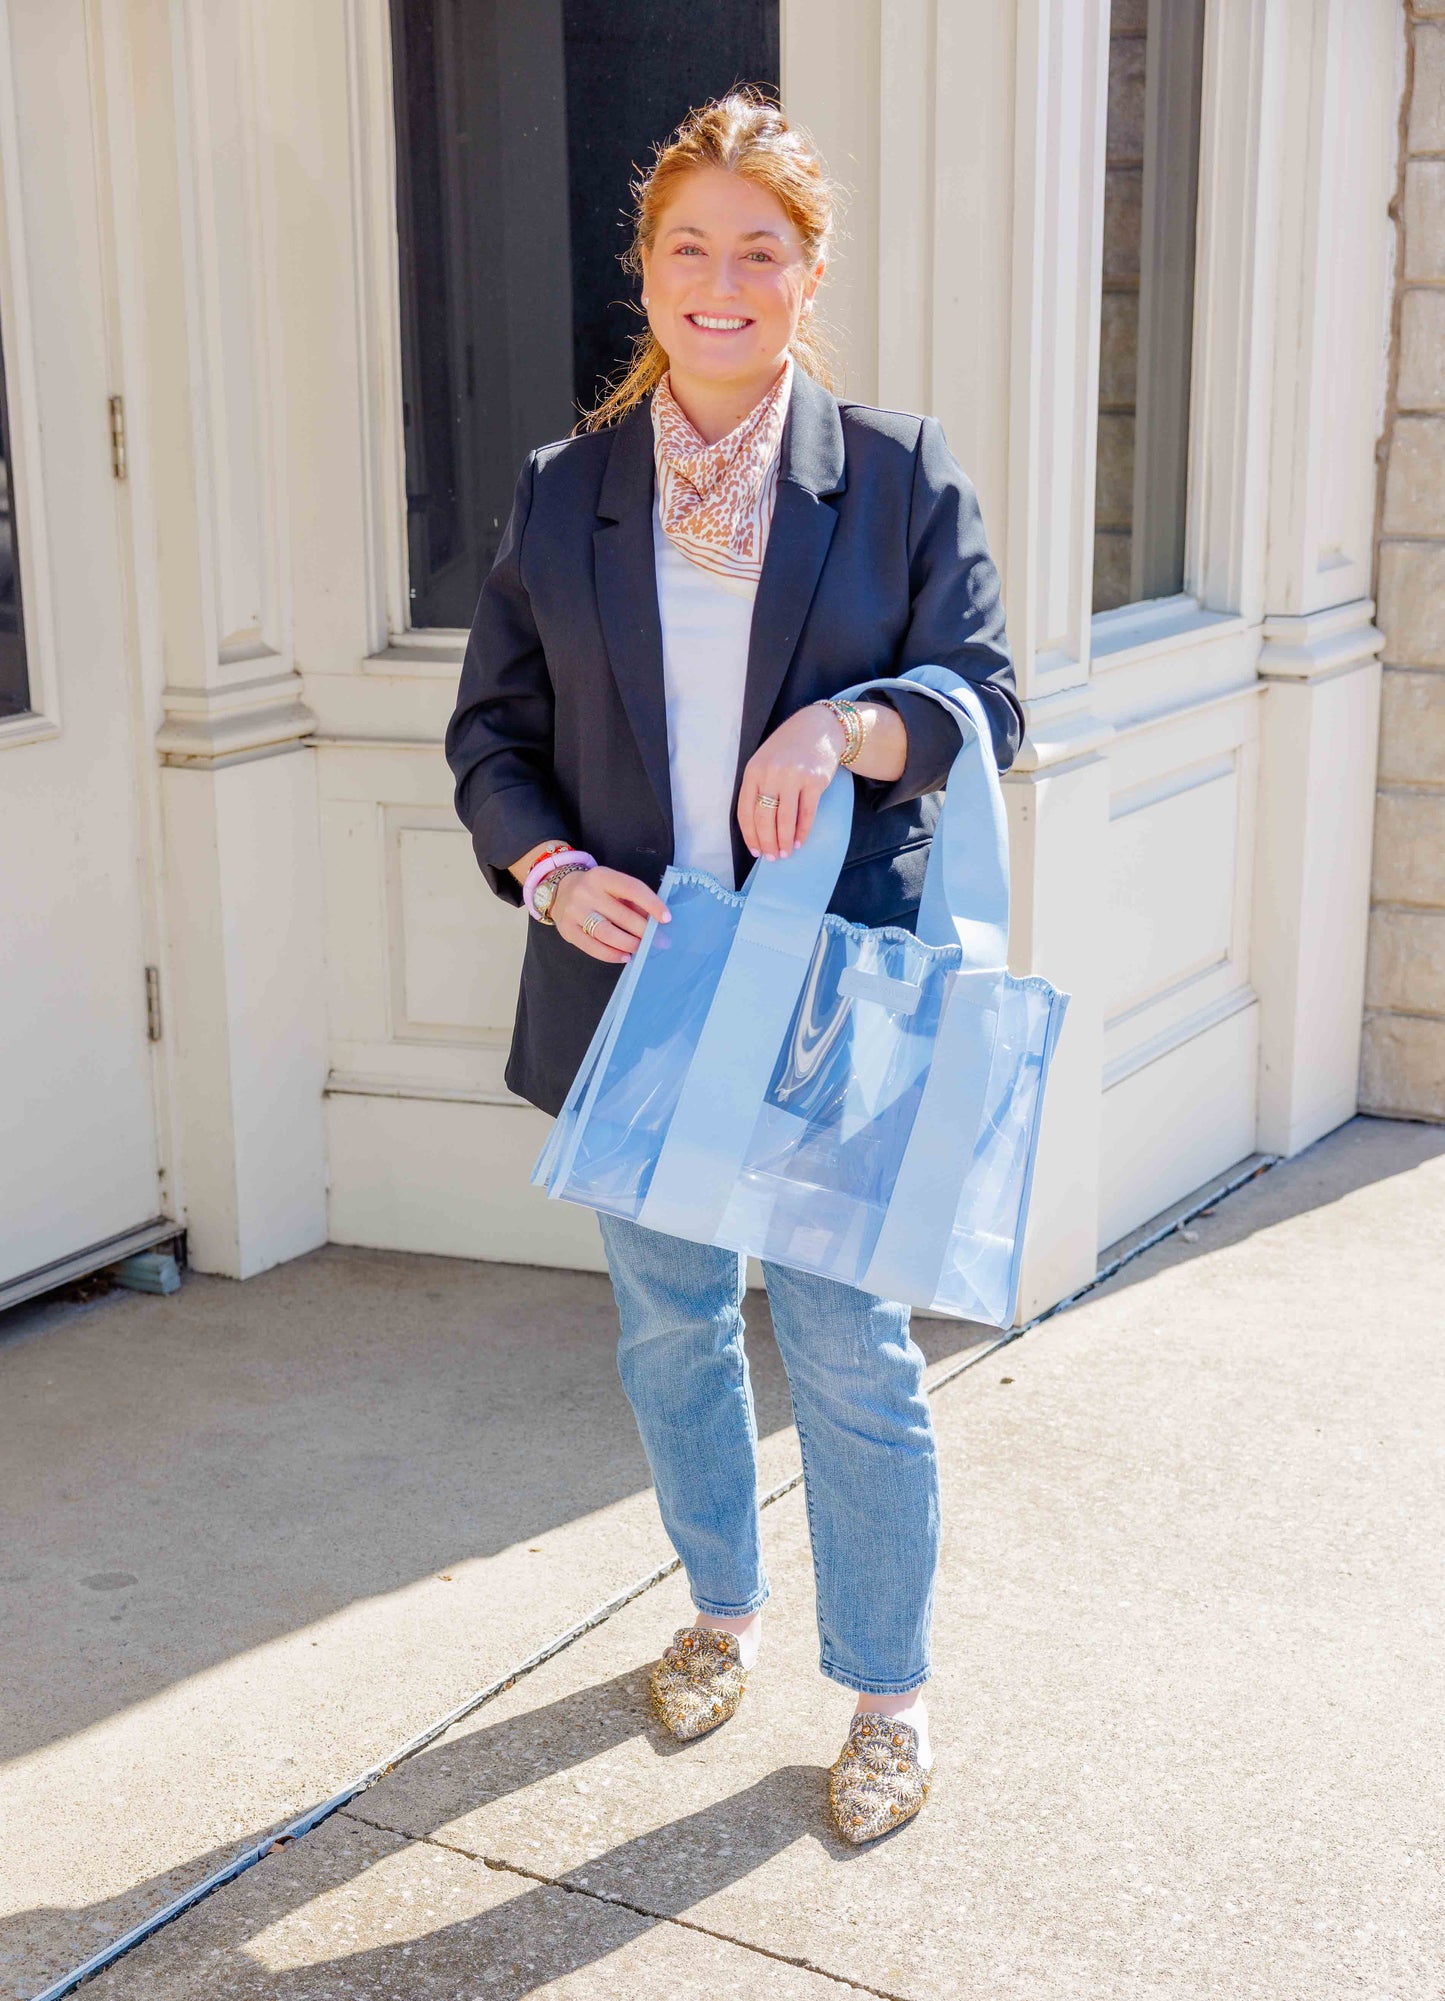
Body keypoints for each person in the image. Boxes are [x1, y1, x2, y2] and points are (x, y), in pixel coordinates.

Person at [446, 89, 1021, 1844]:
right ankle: (718, 1612)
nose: (720, 281)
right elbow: (493, 733)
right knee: (673, 1327)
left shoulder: (897, 472)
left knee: (849, 1345)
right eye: (687, 247)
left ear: (806, 270)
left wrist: (856, 723)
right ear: (645, 272)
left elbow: (984, 698)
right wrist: (545, 869)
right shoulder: (566, 496)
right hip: (648, 997)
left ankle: (886, 1696)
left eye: (755, 251)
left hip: (833, 994)